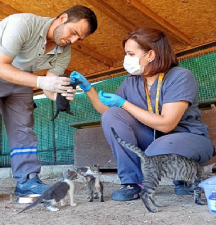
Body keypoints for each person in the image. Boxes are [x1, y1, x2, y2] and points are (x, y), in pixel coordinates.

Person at [0, 5, 97, 203]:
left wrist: (60, 95)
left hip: (22, 75)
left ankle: (27, 180)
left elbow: (48, 89)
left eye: (80, 38)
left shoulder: (64, 51)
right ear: (62, 18)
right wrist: (42, 81)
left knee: (23, 127)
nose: (74, 40)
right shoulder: (23, 24)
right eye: (74, 32)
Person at [70, 27, 216, 201]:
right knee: (112, 116)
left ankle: (185, 177)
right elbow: (107, 111)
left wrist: (124, 103)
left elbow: (167, 124)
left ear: (151, 55)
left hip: (187, 138)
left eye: (131, 54)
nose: (126, 59)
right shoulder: (132, 81)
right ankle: (133, 183)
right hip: (153, 140)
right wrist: (88, 89)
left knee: (157, 151)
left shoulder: (180, 76)